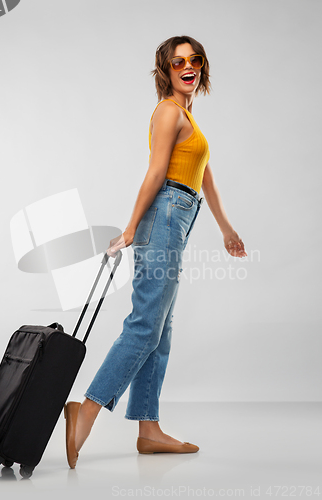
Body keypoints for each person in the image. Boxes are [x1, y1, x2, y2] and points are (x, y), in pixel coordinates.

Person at [64, 35, 247, 469]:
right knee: (146, 326)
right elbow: (156, 173)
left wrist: (225, 228)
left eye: (195, 59)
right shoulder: (168, 112)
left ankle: (148, 429)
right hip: (164, 215)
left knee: (160, 330)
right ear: (165, 70)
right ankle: (86, 410)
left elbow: (204, 175)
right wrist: (129, 229)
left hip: (178, 216)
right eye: (178, 61)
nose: (189, 66)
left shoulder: (186, 114)